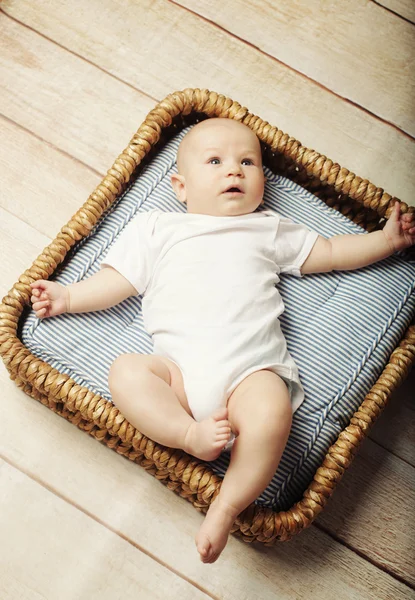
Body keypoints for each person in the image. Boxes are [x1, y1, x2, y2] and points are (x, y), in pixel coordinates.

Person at [30, 118, 415, 564]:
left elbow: (328, 253)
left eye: (247, 162)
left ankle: (227, 505)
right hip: (177, 374)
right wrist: (69, 296)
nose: (234, 171)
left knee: (272, 414)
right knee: (126, 372)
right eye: (215, 161)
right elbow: (117, 281)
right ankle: (187, 433)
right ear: (180, 186)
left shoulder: (266, 228)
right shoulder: (156, 228)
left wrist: (385, 242)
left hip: (250, 372)